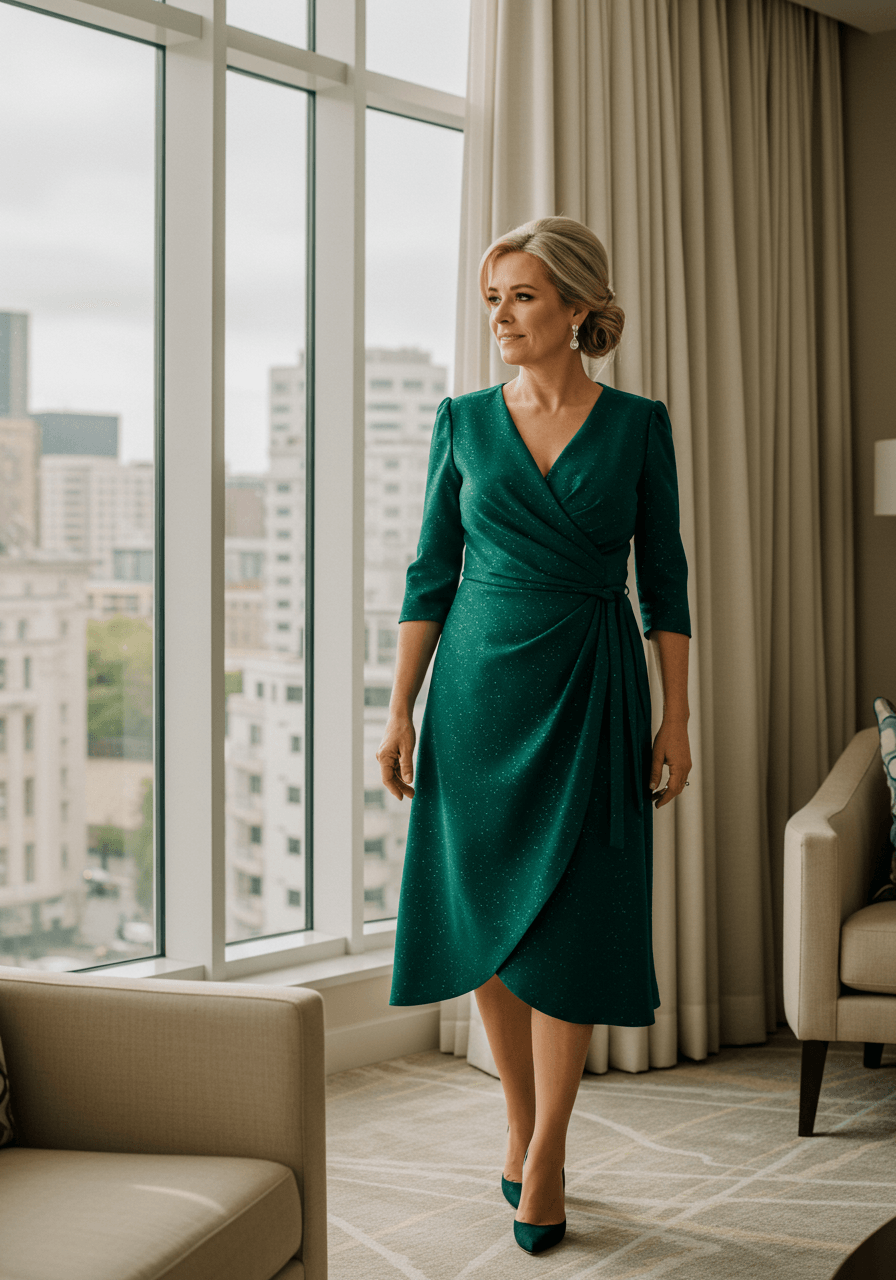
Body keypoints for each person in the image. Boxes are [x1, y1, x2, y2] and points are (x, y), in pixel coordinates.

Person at [377, 215, 692, 1256]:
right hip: (475, 691)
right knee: (491, 920)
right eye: (491, 300)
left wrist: (673, 712)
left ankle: (548, 1147)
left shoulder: (638, 423)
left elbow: (667, 582)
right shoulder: (461, 420)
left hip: (592, 686)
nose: (501, 317)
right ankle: (518, 1119)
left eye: (519, 296)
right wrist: (397, 706)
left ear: (575, 306)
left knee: (575, 917)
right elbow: (431, 574)